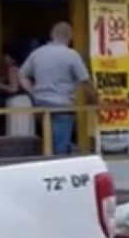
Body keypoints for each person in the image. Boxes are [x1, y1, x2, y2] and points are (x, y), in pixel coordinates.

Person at [20, 22, 98, 154]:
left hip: (41, 104)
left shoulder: (37, 53)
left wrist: (33, 92)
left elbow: (22, 76)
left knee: (46, 142)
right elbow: (85, 81)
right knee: (60, 146)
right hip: (62, 105)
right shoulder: (71, 55)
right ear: (70, 37)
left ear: (52, 35)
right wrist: (95, 101)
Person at [0, 43, 34, 136]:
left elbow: (13, 89)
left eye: (5, 56)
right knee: (26, 129)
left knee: (17, 130)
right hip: (26, 101)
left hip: (17, 101)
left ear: (11, 57)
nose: (4, 59)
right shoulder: (25, 67)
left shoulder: (13, 69)